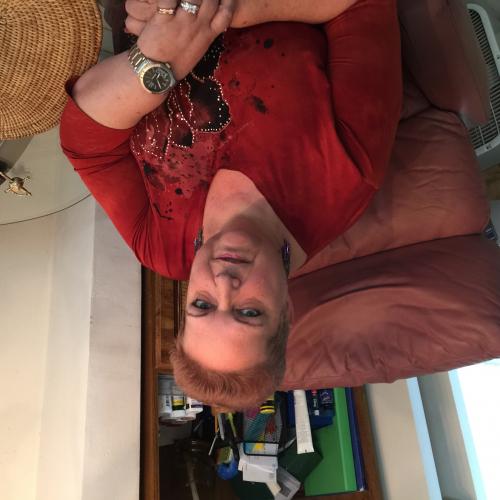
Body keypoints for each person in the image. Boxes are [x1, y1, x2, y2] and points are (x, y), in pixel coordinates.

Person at [60, 0, 402, 410]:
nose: (223, 282)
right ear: (287, 310)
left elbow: (86, 144)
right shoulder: (348, 171)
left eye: (202, 305)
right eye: (248, 312)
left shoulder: (160, 247)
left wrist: (156, 61)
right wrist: (215, 14)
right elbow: (365, 5)